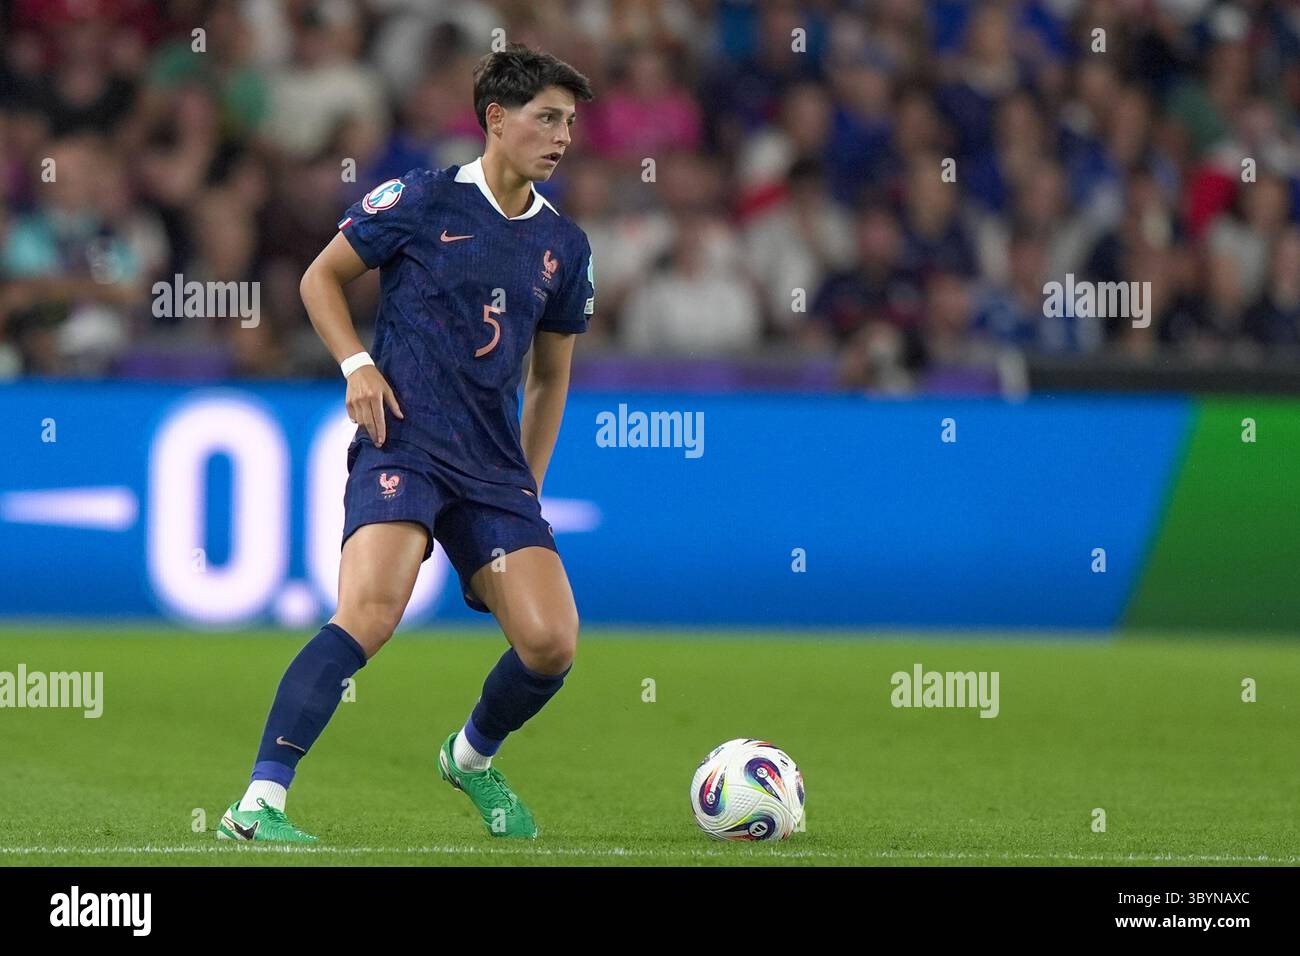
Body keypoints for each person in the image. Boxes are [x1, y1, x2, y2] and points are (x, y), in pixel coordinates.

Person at [217, 43, 595, 842]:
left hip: (493, 468)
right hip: (405, 439)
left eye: (570, 122)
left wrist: (528, 482)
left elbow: (551, 379)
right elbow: (319, 278)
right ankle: (259, 804)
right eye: (547, 118)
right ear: (496, 119)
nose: (563, 136)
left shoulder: (566, 247)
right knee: (369, 613)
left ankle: (469, 757)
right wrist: (357, 364)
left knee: (551, 644)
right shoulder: (422, 200)